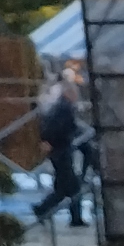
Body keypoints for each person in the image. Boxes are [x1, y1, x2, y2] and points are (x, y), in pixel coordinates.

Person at [36, 64, 94, 228]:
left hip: (60, 148)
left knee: (66, 185)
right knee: (68, 186)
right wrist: (49, 141)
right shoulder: (63, 108)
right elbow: (60, 127)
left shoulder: (60, 107)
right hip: (61, 148)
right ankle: (44, 209)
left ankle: (70, 216)